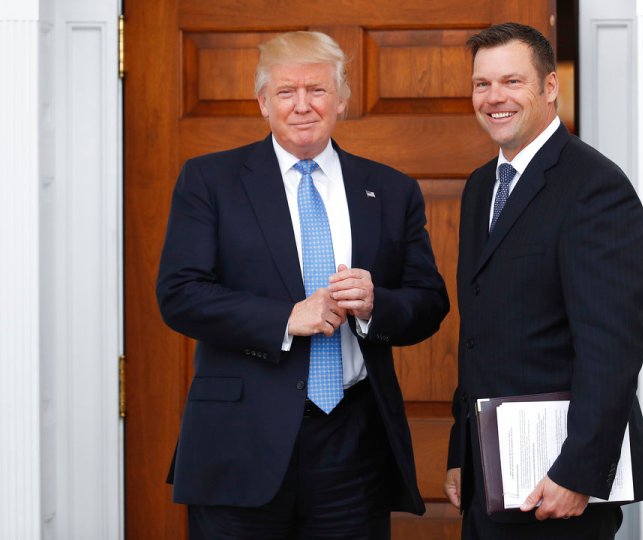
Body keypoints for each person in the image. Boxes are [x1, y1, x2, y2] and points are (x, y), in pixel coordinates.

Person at [157, 30, 449, 539]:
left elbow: (429, 302)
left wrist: (376, 305)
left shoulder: (392, 189)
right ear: (263, 102)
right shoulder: (210, 181)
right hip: (239, 444)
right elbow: (180, 295)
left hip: (352, 443)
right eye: (286, 92)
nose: (302, 106)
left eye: (317, 90)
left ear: (341, 99)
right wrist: (287, 318)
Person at [443, 22, 643, 539]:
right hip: (490, 475)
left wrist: (578, 472)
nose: (494, 98)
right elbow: (478, 336)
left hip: (557, 483)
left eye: (512, 82)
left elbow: (612, 347)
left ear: (550, 87)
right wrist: (461, 452)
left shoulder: (594, 188)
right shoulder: (478, 188)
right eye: (482, 84)